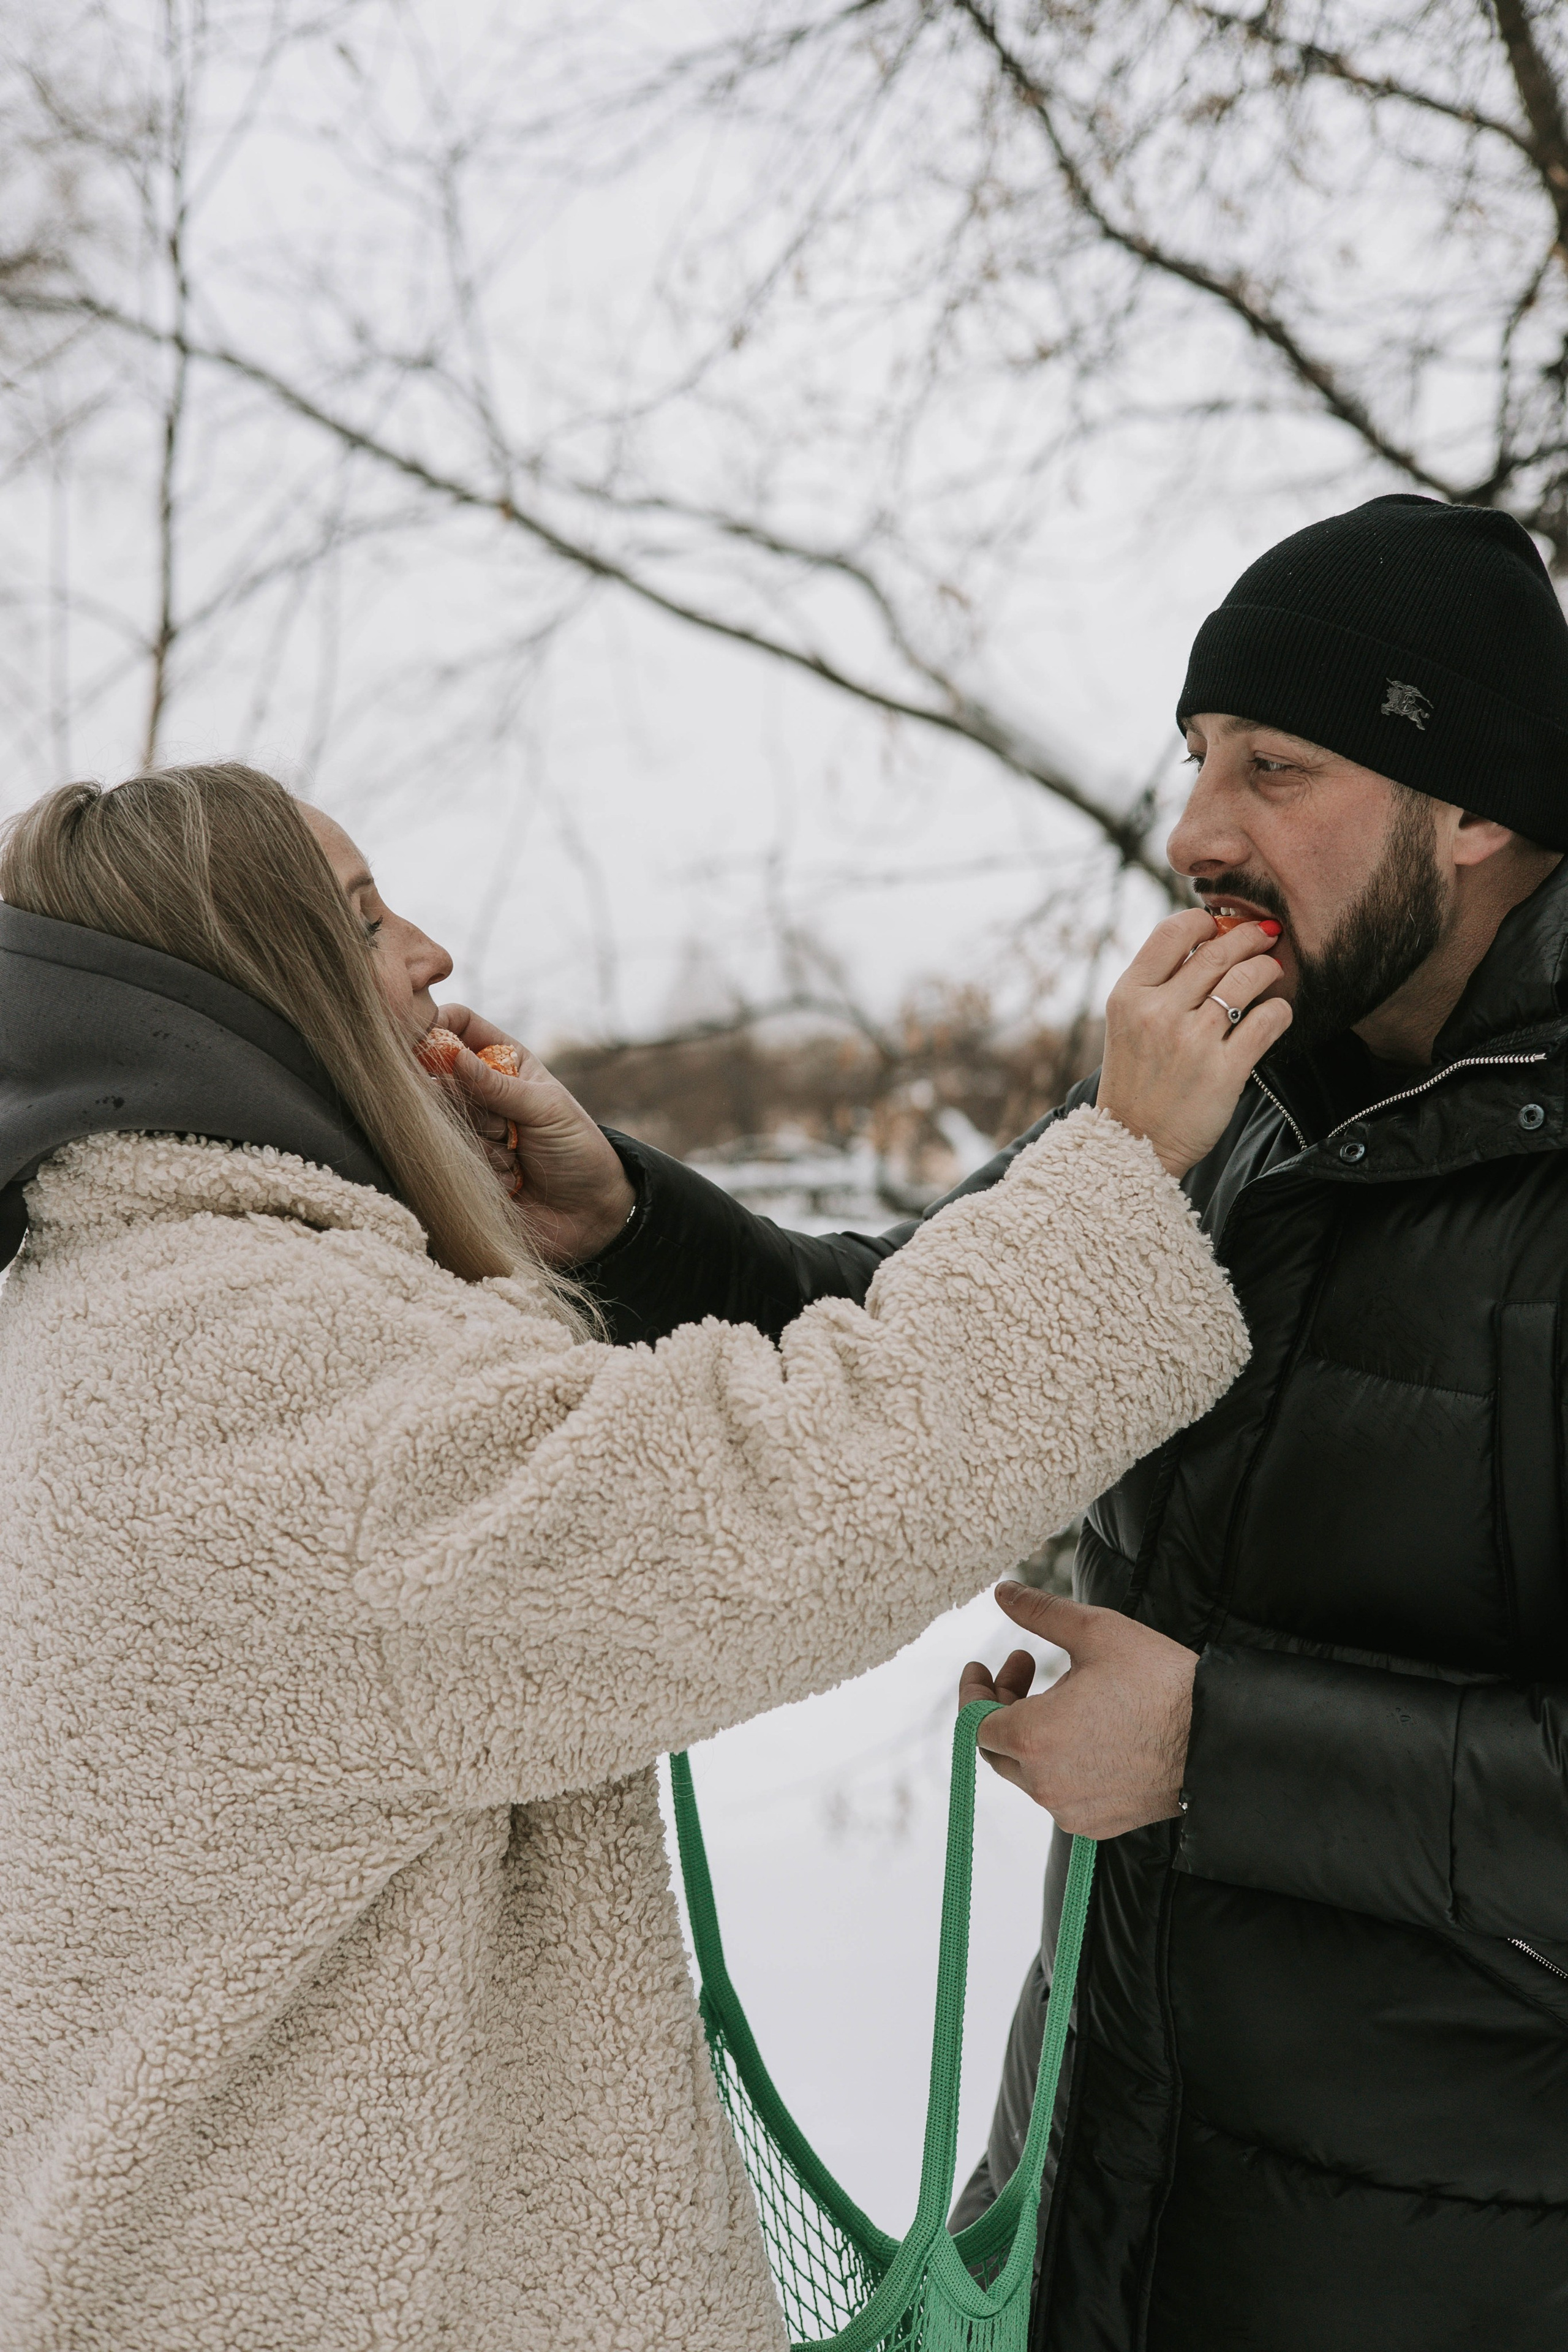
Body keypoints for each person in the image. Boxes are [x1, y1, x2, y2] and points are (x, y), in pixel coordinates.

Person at [0, 763, 1277, 2352]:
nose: (432, 955)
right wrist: (1123, 1165)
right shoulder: (250, 1361)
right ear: (250, 986)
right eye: (362, 915)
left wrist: (616, 1231)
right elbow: (766, 1502)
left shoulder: (108, 1306)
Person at [514, 495, 1568, 2351]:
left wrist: (1214, 1746)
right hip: (1110, 2189)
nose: (1194, 831)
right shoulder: (1233, 1097)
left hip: (1460, 2256)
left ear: (1476, 803)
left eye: (1277, 765)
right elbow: (926, 1326)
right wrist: (633, 1223)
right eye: (1193, 758)